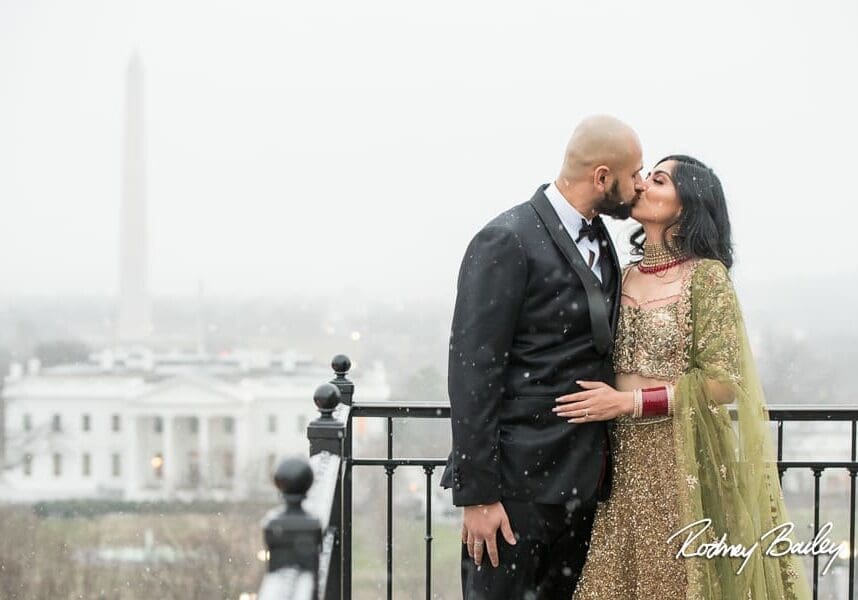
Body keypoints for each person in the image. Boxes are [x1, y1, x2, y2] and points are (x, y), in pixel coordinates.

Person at [554, 155, 811, 599]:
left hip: (680, 462)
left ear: (688, 203)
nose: (641, 187)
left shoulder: (706, 278)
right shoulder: (623, 273)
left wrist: (627, 403)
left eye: (657, 180)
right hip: (617, 466)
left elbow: (723, 382)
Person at [440, 115, 646, 599]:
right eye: (633, 174)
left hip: (580, 488)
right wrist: (479, 495)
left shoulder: (602, 241)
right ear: (601, 177)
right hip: (514, 493)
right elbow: (473, 372)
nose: (638, 184)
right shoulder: (506, 239)